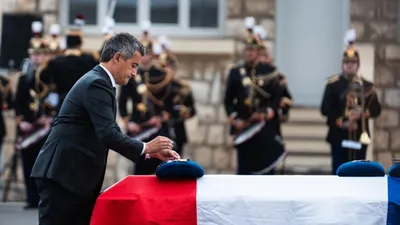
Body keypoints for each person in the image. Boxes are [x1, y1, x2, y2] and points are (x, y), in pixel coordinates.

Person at [31, 33, 180, 225]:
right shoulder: (97, 83)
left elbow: (110, 132)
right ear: (117, 58)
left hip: (72, 178)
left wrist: (149, 154)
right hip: (64, 176)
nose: (135, 73)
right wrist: (147, 148)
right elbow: (108, 134)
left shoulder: (101, 82)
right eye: (133, 65)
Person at [224, 20, 286, 175]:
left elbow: (277, 96)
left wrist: (268, 111)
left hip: (264, 128)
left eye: (253, 49)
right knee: (245, 171)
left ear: (258, 52)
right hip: (245, 126)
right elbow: (228, 100)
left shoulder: (269, 71)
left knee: (266, 171)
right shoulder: (235, 72)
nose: (250, 53)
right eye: (247, 49)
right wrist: (236, 119)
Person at [320, 29, 381, 175]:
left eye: (353, 62)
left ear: (358, 64)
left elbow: (376, 110)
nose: (350, 65)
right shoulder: (333, 85)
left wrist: (362, 114)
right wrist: (344, 122)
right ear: (342, 64)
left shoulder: (367, 86)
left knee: (359, 174)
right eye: (347, 62)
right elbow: (325, 109)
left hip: (359, 135)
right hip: (339, 136)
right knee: (339, 172)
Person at [14, 21, 53, 209]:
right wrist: (21, 121)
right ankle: (31, 197)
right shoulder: (24, 78)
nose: (36, 58)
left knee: (43, 164)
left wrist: (49, 117)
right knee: (27, 162)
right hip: (29, 127)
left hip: (44, 127)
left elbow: (54, 99)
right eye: (34, 55)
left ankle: (43, 197)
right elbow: (18, 103)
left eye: (40, 55)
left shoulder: (51, 77)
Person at [39, 14, 99, 114]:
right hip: (84, 107)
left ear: (66, 43)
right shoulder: (90, 60)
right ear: (80, 44)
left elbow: (43, 78)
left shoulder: (56, 62)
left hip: (63, 106)